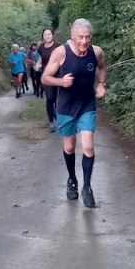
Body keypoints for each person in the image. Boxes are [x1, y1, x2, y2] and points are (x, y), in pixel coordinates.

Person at [41, 19, 107, 208]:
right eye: (80, 37)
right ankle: (72, 179)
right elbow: (45, 77)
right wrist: (60, 82)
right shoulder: (61, 52)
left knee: (88, 146)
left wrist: (101, 84)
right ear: (72, 36)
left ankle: (87, 187)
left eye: (87, 37)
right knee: (69, 147)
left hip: (87, 105)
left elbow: (102, 67)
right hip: (66, 107)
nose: (84, 41)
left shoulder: (96, 52)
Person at [36, 28, 60, 131]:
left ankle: (57, 115)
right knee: (49, 98)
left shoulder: (59, 46)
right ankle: (51, 122)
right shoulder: (41, 47)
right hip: (46, 76)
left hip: (58, 76)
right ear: (43, 36)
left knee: (57, 99)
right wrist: (38, 64)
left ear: (52, 35)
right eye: (45, 34)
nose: (47, 36)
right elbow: (41, 58)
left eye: (49, 34)